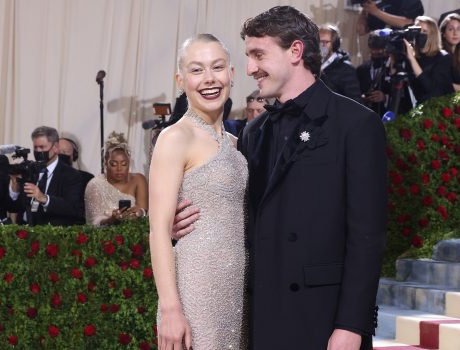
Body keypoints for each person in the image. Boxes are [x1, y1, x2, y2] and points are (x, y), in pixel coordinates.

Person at [174, 6, 387, 349]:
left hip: (324, 317)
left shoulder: (356, 125)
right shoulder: (253, 132)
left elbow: (367, 238)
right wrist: (184, 226)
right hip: (264, 313)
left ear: (295, 51)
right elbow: (241, 216)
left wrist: (351, 325)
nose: (250, 69)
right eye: (247, 56)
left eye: (259, 54)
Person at [148, 34, 248, 349]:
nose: (209, 79)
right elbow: (158, 230)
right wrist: (170, 308)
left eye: (217, 67)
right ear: (181, 80)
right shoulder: (175, 137)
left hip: (238, 291)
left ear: (232, 73)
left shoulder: (235, 144)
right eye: (197, 70)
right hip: (195, 289)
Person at [8, 126, 85, 226]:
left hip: (53, 235)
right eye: (35, 147)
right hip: (25, 233)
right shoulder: (29, 170)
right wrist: (14, 189)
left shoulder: (71, 175)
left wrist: (45, 198)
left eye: (42, 147)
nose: (39, 151)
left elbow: (73, 208)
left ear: (56, 147)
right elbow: (13, 208)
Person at [84, 132, 148, 226]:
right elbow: (93, 221)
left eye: (124, 164)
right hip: (106, 237)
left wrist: (139, 213)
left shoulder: (138, 180)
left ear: (129, 163)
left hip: (135, 232)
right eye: (113, 164)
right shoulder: (95, 184)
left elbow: (145, 212)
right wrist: (111, 220)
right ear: (105, 164)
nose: (119, 169)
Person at [402, 16, 455, 105]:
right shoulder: (412, 57)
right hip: (416, 109)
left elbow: (431, 91)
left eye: (424, 31)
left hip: (437, 109)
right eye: (417, 31)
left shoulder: (443, 57)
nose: (419, 34)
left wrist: (412, 59)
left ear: (432, 35)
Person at [319, 23, 363, 102]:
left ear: (334, 44)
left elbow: (354, 101)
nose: (321, 46)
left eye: (325, 42)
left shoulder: (346, 68)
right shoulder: (312, 64)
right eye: (319, 42)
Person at [357, 30, 391, 116]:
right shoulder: (361, 69)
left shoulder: (393, 68)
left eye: (380, 49)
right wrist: (360, 98)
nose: (376, 52)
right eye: (373, 49)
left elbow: (403, 98)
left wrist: (384, 97)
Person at [441, 13, 460, 91]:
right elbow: (445, 85)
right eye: (451, 29)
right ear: (443, 33)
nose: (455, 33)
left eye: (459, 29)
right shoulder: (441, 55)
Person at [358, 0, 425, 35]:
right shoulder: (383, 3)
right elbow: (361, 31)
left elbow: (407, 22)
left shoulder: (411, 2)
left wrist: (376, 12)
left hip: (406, 49)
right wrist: (365, 7)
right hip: (382, 51)